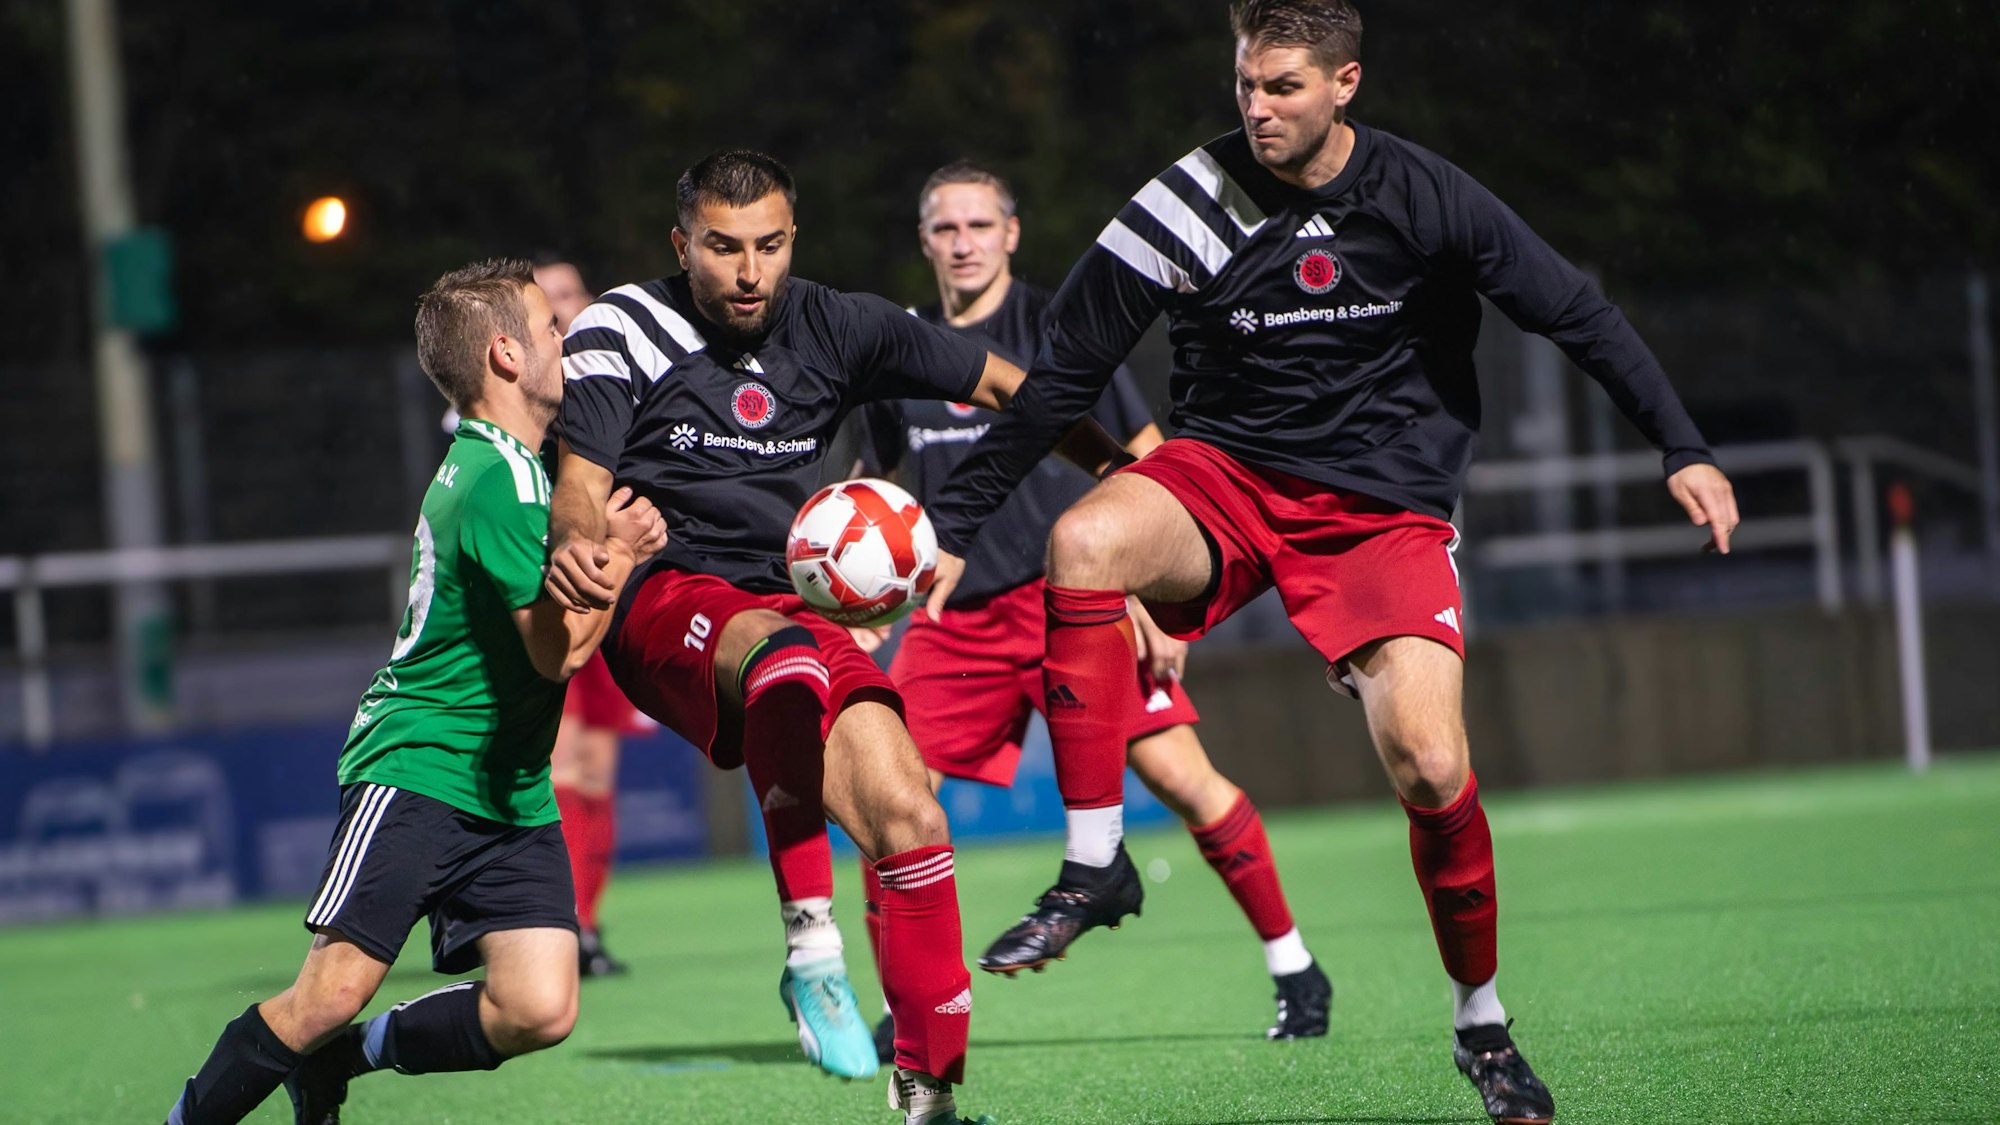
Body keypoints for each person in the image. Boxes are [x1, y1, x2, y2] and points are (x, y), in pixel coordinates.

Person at [921, 4, 1742, 1122]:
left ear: (1345, 82)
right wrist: (958, 523)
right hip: (1224, 478)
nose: (1257, 110)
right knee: (1085, 540)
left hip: (1380, 512)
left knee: (1428, 764)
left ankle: (1481, 1023)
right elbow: (1059, 374)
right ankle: (1095, 863)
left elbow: (1573, 312)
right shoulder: (1183, 201)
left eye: (1284, 88)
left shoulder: (1424, 195)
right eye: (1245, 87)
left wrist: (1679, 446)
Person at [542, 150, 1115, 1123]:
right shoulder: (624, 326)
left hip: (792, 607)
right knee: (784, 658)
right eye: (722, 249)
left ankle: (928, 1101)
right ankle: (812, 955)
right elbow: (580, 483)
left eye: (767, 245)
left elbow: (1005, 387)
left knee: (911, 820)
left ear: (792, 238)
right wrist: (577, 548)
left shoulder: (837, 323)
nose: (748, 272)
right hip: (665, 602)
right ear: (681, 244)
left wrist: (1118, 467)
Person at [161, 258, 666, 1124]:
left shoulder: (522, 469)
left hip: (507, 785)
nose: (567, 340)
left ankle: (336, 1065)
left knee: (539, 1005)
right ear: (507, 354)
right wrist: (622, 552)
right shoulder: (500, 481)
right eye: (552, 327)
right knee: (327, 993)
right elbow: (558, 655)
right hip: (422, 767)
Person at [853, 161, 1330, 1061]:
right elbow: (884, 483)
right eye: (945, 228)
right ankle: (910, 1006)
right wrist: (859, 585)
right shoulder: (906, 348)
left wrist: (1153, 590)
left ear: (1011, 233)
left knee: (1189, 782)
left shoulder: (1053, 326)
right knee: (888, 801)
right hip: (958, 619)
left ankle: (1295, 965)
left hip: (1074, 608)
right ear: (925, 242)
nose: (963, 242)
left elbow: (1147, 457)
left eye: (979, 225)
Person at [533, 256, 656, 979]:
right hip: (554, 588)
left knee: (598, 771)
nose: (562, 308)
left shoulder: (622, 375)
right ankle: (560, 924)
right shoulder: (521, 395)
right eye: (545, 301)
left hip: (620, 583)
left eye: (571, 293)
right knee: (561, 761)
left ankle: (587, 921)